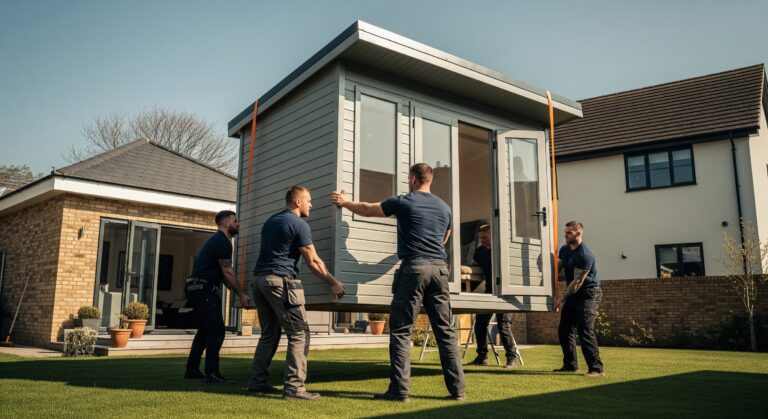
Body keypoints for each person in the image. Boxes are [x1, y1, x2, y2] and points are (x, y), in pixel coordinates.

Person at [332, 163, 466, 402]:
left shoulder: (404, 201)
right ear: (430, 181)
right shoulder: (445, 208)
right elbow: (445, 237)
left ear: (414, 179)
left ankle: (399, 391)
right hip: (440, 269)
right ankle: (458, 391)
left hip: (414, 268)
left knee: (402, 330)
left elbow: (367, 209)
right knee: (445, 331)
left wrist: (345, 202)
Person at [247, 186, 346, 400]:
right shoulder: (298, 224)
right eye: (308, 201)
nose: (311, 204)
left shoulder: (271, 221)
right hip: (280, 282)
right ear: (298, 202)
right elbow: (313, 261)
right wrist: (333, 283)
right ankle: (294, 388)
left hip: (259, 282)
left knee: (269, 334)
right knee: (299, 333)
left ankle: (257, 383)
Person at [184, 210, 250, 384]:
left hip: (194, 287)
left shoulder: (215, 241)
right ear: (226, 224)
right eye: (235, 221)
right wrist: (242, 294)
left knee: (205, 330)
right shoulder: (223, 242)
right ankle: (212, 374)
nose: (238, 224)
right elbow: (228, 272)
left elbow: (225, 277)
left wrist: (237, 290)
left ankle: (191, 370)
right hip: (203, 289)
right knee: (217, 330)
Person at [554, 221, 605, 377]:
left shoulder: (585, 255)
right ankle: (570, 365)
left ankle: (596, 369)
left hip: (589, 294)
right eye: (565, 232)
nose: (565, 235)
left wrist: (560, 300)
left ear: (578, 233)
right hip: (574, 294)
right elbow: (557, 269)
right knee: (564, 330)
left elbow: (576, 283)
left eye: (569, 232)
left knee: (585, 330)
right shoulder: (565, 249)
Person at [468, 224, 520, 369]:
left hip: (505, 292)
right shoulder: (479, 252)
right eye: (480, 238)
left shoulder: (502, 250)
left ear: (493, 235)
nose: (482, 240)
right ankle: (482, 356)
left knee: (503, 325)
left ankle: (511, 358)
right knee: (480, 324)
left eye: (485, 237)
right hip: (490, 290)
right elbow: (475, 268)